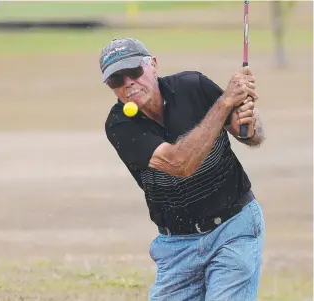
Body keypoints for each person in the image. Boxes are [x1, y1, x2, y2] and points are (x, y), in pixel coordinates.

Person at [99, 37, 265, 301]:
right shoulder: (120, 125)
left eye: (133, 71)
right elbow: (179, 164)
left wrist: (249, 123)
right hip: (177, 246)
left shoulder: (193, 86)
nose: (128, 83)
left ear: (153, 65)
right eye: (116, 80)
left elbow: (248, 135)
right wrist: (223, 104)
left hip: (234, 228)